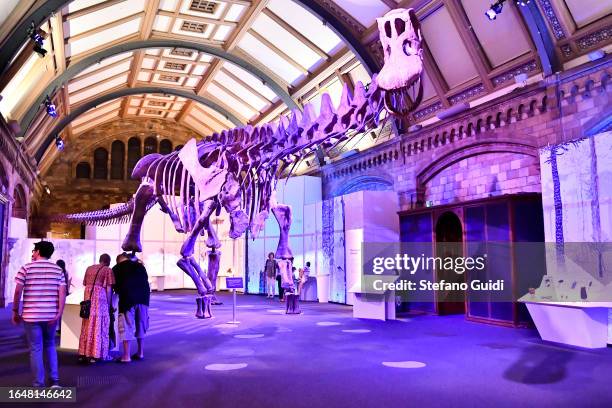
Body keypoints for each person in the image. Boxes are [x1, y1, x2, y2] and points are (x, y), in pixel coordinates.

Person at [12, 241, 66, 388]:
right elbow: (62, 293)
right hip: (51, 316)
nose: (33, 253)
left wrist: (15, 311)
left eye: (34, 250)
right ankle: (54, 381)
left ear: (38, 251)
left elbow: (18, 291)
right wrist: (59, 313)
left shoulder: (26, 268)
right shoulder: (57, 270)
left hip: (31, 316)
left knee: (36, 348)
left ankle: (38, 383)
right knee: (50, 346)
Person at [113, 252, 150, 363]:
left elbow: (115, 286)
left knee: (126, 326)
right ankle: (140, 352)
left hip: (128, 300)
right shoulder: (140, 266)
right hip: (144, 299)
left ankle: (126, 356)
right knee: (141, 325)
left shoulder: (117, 268)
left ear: (119, 260)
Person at [78, 254, 115, 363]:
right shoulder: (107, 270)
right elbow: (108, 289)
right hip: (100, 302)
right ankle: (97, 354)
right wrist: (109, 304)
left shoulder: (89, 268)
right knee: (99, 326)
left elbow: (85, 284)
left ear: (100, 260)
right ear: (108, 261)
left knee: (88, 326)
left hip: (88, 300)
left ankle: (85, 352)